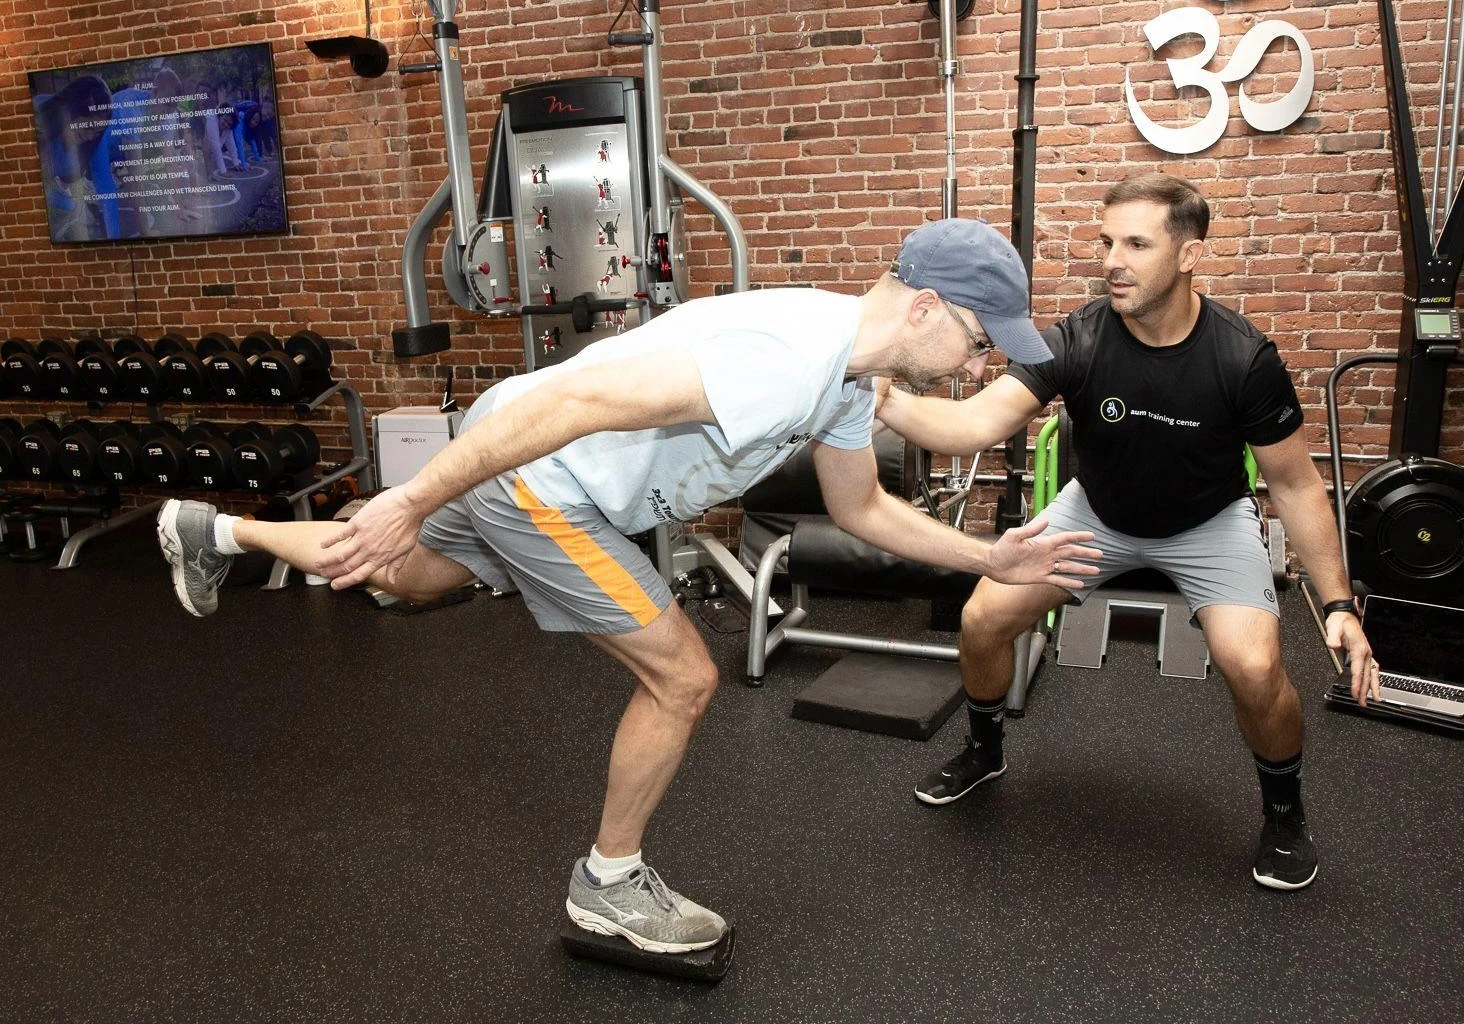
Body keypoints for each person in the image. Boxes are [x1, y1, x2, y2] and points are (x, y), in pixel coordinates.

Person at [155, 218, 1101, 954]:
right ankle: (608, 883)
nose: (982, 367)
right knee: (683, 680)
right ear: (928, 306)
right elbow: (569, 403)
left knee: (413, 577)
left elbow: (861, 511)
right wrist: (411, 495)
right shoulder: (792, 357)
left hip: (520, 456)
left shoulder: (850, 380)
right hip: (542, 474)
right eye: (981, 341)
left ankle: (215, 528)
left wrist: (992, 560)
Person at [876, 175, 1378, 892]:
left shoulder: (1242, 358)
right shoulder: (1078, 339)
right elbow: (970, 426)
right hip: (1098, 515)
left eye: (1137, 243)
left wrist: (1336, 605)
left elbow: (1296, 485)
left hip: (1207, 522)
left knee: (1257, 667)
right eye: (1107, 240)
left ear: (1190, 254)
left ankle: (1284, 813)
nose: (1113, 258)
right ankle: (985, 751)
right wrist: (882, 394)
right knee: (983, 618)